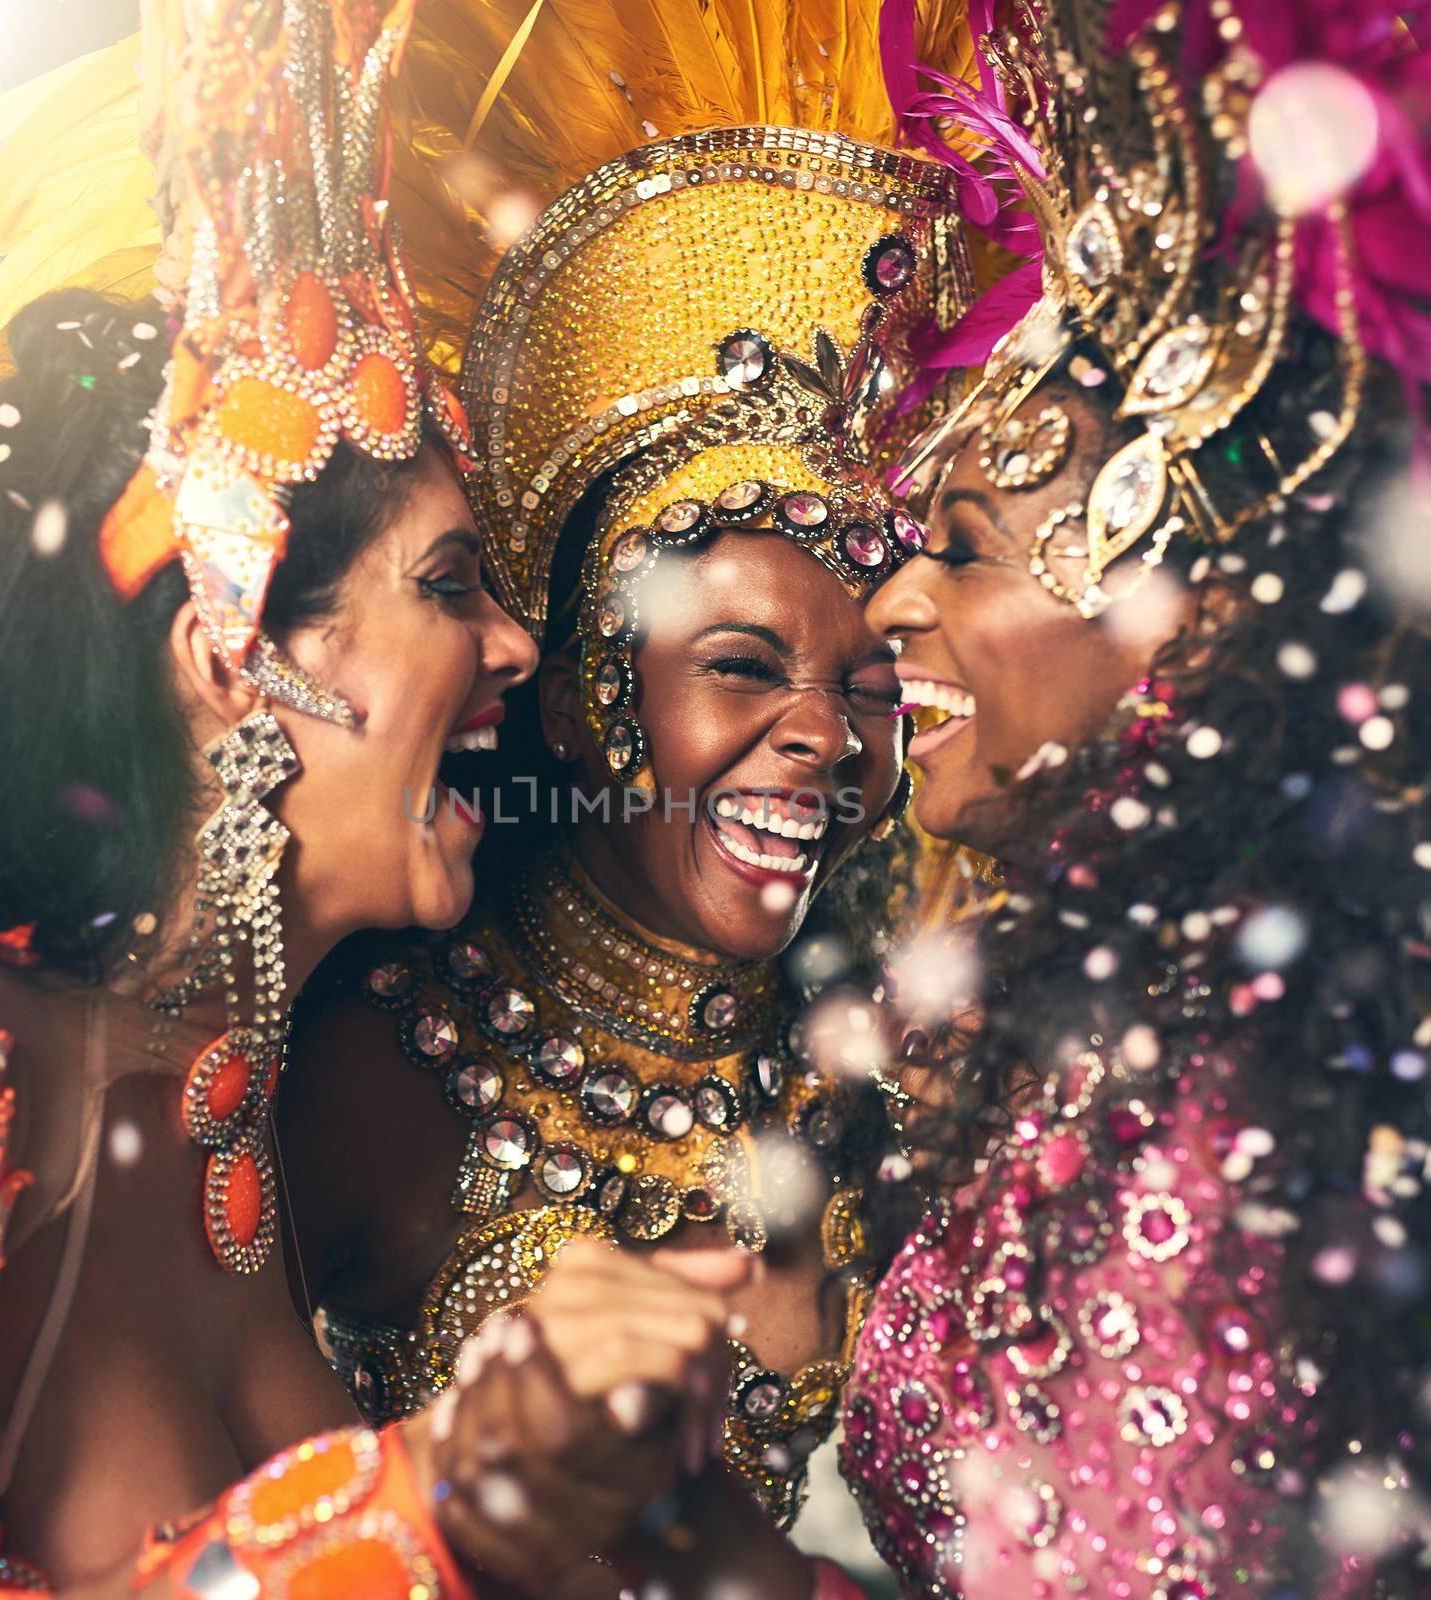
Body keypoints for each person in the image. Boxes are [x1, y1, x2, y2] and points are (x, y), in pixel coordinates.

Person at [0, 3, 756, 1596]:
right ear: (229, 652)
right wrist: (425, 1510)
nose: (518, 648)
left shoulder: (243, 1120)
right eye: (452, 584)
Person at [277, 4, 973, 1589]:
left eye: (867, 685)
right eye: (740, 666)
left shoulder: (893, 1088)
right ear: (593, 689)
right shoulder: (366, 1078)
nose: (823, 738)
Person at [834, 1, 1431, 1596]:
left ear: (1195, 623)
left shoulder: (1228, 1087)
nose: (893, 605)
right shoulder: (1140, 1001)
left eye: (960, 543)